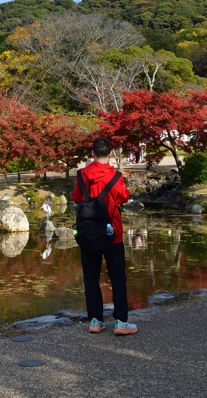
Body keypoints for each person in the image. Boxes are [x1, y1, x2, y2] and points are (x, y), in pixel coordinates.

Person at [71, 137, 136, 335]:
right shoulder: (116, 176)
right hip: (112, 233)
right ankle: (121, 322)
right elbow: (124, 197)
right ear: (110, 155)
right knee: (117, 276)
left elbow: (75, 197)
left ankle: (96, 320)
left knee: (91, 276)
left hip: (88, 233)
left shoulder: (82, 174)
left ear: (92, 154)